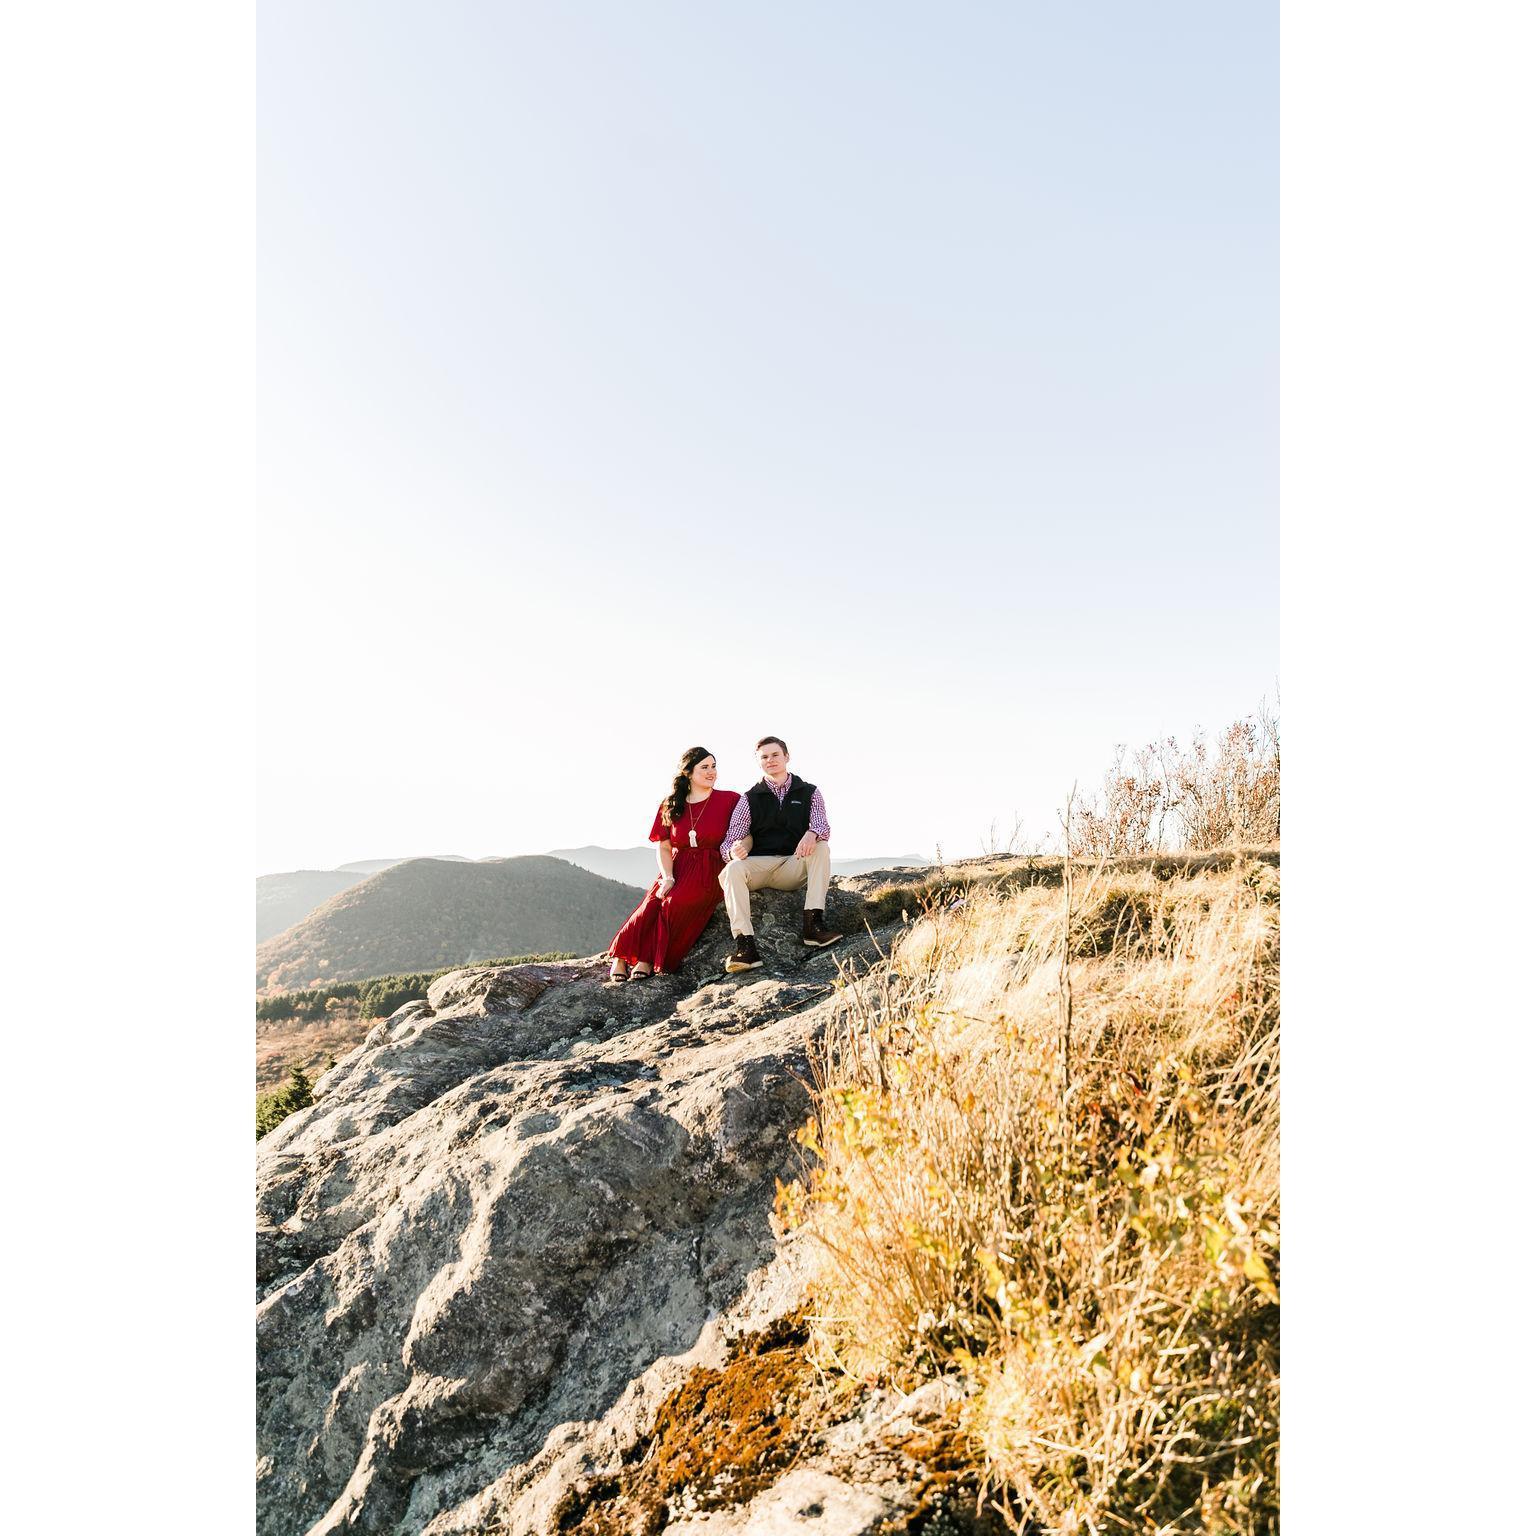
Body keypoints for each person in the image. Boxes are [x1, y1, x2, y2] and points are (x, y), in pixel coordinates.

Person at [607, 747, 741, 981]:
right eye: (704, 767)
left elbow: (744, 831)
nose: (712, 772)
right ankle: (620, 957)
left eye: (713, 766)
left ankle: (647, 959)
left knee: (675, 904)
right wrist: (668, 877)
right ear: (688, 773)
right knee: (651, 903)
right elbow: (664, 846)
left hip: (709, 868)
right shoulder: (671, 803)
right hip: (676, 866)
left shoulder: (729, 799)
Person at [717, 735, 843, 973]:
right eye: (764, 757)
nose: (770, 760)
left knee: (822, 846)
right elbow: (728, 843)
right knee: (732, 869)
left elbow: (822, 825)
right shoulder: (749, 799)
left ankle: (813, 927)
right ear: (759, 762)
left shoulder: (809, 792)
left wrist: (812, 833)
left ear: (787, 757)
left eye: (775, 755)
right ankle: (746, 947)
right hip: (760, 866)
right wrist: (734, 850)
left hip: (793, 864)